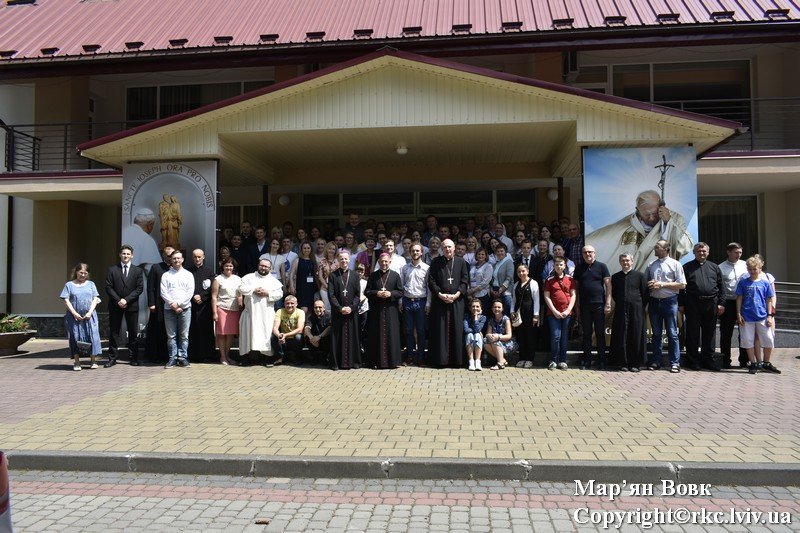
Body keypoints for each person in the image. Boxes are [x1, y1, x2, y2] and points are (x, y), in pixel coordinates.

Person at [587, 189, 694, 275]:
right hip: (633, 280)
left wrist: (668, 222)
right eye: (647, 215)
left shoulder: (675, 218)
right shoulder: (626, 223)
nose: (652, 218)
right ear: (638, 210)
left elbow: (685, 246)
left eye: (655, 213)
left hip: (661, 277)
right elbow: (602, 238)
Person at [679, 242, 724, 371]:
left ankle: (708, 360)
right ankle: (693, 361)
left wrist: (721, 303)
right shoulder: (687, 267)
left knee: (709, 334)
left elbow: (722, 287)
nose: (702, 253)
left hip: (711, 304)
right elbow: (682, 288)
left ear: (708, 252)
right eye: (699, 251)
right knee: (692, 333)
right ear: (694, 252)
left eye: (704, 251)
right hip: (693, 304)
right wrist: (681, 304)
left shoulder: (715, 267)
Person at [427, 239, 470, 367]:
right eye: (445, 247)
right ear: (442, 248)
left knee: (457, 328)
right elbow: (431, 281)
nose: (448, 249)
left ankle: (457, 361)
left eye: (450, 247)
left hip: (457, 301)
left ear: (454, 248)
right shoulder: (436, 262)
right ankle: (441, 360)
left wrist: (456, 295)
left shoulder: (461, 262)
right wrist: (440, 294)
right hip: (440, 302)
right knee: (440, 330)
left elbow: (465, 280)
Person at [646, 240, 686, 373]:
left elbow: (682, 284)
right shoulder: (651, 264)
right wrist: (650, 284)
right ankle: (656, 361)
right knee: (656, 334)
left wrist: (662, 284)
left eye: (657, 247)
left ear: (665, 249)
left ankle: (675, 363)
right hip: (654, 302)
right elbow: (646, 282)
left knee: (672, 333)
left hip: (670, 301)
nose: (654, 249)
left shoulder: (675, 264)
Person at [736, 256, 778, 374]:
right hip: (747, 316)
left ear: (760, 268)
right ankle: (753, 363)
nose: (752, 271)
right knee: (748, 340)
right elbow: (739, 298)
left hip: (762, 315)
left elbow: (769, 299)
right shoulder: (743, 282)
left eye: (755, 269)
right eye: (750, 269)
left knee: (768, 339)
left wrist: (770, 315)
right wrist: (738, 314)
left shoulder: (765, 283)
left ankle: (766, 362)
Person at [238, 258, 284, 365]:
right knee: (247, 335)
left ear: (270, 268)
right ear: (258, 265)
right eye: (262, 266)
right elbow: (241, 288)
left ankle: (266, 358)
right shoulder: (249, 277)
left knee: (265, 335)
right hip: (250, 313)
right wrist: (253, 290)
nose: (263, 268)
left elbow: (279, 294)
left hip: (266, 314)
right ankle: (246, 358)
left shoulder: (273, 280)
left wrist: (267, 293)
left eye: (266, 267)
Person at [104, 245, 144, 367]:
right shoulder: (112, 270)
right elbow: (108, 287)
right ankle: (112, 358)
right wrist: (119, 301)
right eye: (123, 254)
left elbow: (139, 288)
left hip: (131, 306)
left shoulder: (137, 270)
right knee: (114, 332)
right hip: (115, 306)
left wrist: (126, 300)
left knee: (133, 332)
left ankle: (133, 358)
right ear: (120, 255)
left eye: (128, 254)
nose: (126, 256)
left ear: (132, 255)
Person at [573, 245, 612, 370]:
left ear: (595, 253)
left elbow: (608, 286)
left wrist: (608, 303)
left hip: (599, 305)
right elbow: (576, 288)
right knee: (587, 334)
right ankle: (587, 360)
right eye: (585, 252)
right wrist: (577, 305)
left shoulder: (602, 266)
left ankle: (601, 361)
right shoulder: (579, 268)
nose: (587, 254)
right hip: (584, 306)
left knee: (600, 334)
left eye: (590, 252)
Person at [610, 253, 648, 372]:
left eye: (627, 260)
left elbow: (645, 294)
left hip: (636, 310)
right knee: (621, 335)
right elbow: (615, 294)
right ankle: (623, 363)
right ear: (620, 262)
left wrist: (638, 306)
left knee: (636, 335)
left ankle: (635, 364)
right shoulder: (615, 277)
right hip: (621, 309)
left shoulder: (640, 276)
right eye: (623, 260)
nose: (625, 262)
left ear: (632, 262)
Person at [365, 253, 404, 369]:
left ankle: (392, 361)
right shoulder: (373, 276)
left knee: (391, 335)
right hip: (376, 311)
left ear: (390, 262)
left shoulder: (395, 275)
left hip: (391, 310)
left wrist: (390, 293)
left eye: (386, 261)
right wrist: (376, 293)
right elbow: (367, 292)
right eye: (382, 261)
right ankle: (376, 361)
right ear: (379, 262)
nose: (384, 263)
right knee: (376, 335)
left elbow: (401, 292)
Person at [61, 263, 102, 371]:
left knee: (92, 336)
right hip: (74, 317)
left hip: (90, 316)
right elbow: (66, 300)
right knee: (75, 337)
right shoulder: (69, 285)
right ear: (76, 272)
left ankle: (93, 361)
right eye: (81, 273)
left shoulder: (91, 284)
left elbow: (95, 299)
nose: (83, 275)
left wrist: (90, 312)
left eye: (85, 273)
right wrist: (74, 313)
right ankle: (77, 362)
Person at [160, 250, 195, 368]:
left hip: (185, 309)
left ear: (183, 259)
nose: (176, 260)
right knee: (171, 336)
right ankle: (172, 358)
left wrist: (179, 304)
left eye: (178, 258)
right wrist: (172, 304)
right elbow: (163, 292)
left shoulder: (188, 275)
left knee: (184, 335)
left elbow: (190, 292)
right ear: (171, 260)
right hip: (169, 309)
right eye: (174, 258)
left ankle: (183, 357)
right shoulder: (166, 275)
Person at [328, 250, 362, 370]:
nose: (344, 261)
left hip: (351, 313)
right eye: (341, 259)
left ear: (349, 260)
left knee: (352, 335)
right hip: (338, 313)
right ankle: (336, 363)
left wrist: (351, 307)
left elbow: (358, 294)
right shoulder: (332, 275)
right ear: (338, 260)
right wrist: (339, 308)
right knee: (337, 336)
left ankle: (353, 362)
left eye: (346, 259)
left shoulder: (355, 275)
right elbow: (331, 295)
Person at [718, 242, 748, 368]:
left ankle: (744, 360)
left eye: (740, 252)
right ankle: (725, 360)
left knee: (745, 332)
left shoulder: (746, 265)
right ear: (728, 252)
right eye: (736, 252)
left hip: (744, 302)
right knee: (726, 333)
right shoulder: (720, 267)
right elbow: (719, 287)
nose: (738, 255)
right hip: (728, 302)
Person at [400, 243, 431, 367]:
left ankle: (421, 357)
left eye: (417, 251)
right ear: (410, 252)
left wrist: (428, 303)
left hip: (421, 301)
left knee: (421, 331)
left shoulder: (427, 268)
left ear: (422, 252)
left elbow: (429, 287)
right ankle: (409, 356)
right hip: (407, 301)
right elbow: (401, 286)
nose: (415, 253)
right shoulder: (405, 268)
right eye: (413, 251)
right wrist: (400, 301)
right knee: (408, 331)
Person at [543, 257, 576, 371]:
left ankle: (562, 361)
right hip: (553, 314)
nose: (559, 267)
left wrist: (568, 310)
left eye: (561, 264)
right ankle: (553, 360)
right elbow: (546, 296)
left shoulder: (570, 279)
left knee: (564, 337)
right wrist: (555, 311)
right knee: (556, 336)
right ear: (554, 266)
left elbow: (573, 295)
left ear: (565, 265)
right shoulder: (549, 280)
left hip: (567, 312)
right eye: (556, 265)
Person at [145, 245, 174, 363]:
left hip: (172, 304)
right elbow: (150, 287)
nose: (171, 258)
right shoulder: (156, 268)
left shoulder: (176, 268)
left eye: (173, 255)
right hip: (158, 304)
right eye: (168, 255)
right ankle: (155, 355)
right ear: (163, 256)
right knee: (157, 329)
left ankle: (169, 355)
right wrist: (151, 303)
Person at [211, 258, 242, 365]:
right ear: (223, 267)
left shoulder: (238, 279)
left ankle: (227, 355)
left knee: (230, 334)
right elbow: (214, 297)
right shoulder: (218, 279)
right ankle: (222, 356)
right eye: (227, 266)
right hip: (221, 308)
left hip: (234, 309)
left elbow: (240, 294)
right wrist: (214, 312)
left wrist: (241, 304)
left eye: (231, 266)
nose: (229, 268)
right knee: (221, 334)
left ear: (234, 267)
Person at [187, 248, 215, 363]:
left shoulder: (209, 271)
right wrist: (193, 296)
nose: (197, 259)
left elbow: (212, 288)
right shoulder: (188, 272)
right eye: (195, 257)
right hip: (191, 304)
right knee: (192, 330)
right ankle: (192, 355)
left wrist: (201, 297)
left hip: (205, 306)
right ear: (192, 258)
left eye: (199, 257)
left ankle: (207, 355)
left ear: (203, 257)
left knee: (205, 330)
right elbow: (185, 287)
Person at [512, 263, 540, 368]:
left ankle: (530, 358)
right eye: (519, 271)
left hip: (529, 313)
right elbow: (513, 300)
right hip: (518, 314)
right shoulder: (515, 285)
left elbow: (536, 299)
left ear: (527, 271)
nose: (521, 273)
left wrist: (536, 315)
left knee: (530, 336)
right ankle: (522, 358)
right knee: (520, 336)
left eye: (523, 271)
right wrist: (511, 312)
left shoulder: (533, 283)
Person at [271, 295, 305, 365]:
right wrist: (279, 335)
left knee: (298, 337)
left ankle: (297, 358)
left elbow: (300, 329)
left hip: (295, 340)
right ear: (284, 304)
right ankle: (279, 357)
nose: (289, 305)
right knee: (273, 336)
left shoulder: (300, 312)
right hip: (283, 340)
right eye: (287, 303)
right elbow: (275, 328)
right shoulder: (280, 311)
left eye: (292, 303)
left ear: (296, 304)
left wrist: (285, 335)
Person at [483, 300, 514, 370]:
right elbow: (488, 333)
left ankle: (500, 363)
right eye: (495, 307)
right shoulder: (491, 320)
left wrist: (498, 337)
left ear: (502, 308)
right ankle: (503, 360)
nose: (497, 309)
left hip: (507, 343)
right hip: (495, 341)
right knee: (484, 342)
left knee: (495, 341)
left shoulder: (506, 319)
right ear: (492, 308)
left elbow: (509, 335)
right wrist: (489, 336)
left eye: (499, 307)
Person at [288, 241, 317, 313]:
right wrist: (291, 286)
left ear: (311, 249)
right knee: (303, 308)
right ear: (301, 249)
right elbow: (291, 274)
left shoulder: (313, 261)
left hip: (311, 288)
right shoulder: (297, 260)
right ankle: (302, 323)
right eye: (304, 248)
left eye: (308, 248)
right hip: (301, 287)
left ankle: (307, 323)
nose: (306, 250)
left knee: (310, 308)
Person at [467, 248, 493, 318]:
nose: (480, 256)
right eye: (479, 254)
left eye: (482, 254)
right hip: (472, 296)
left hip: (483, 294)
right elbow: (468, 279)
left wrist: (472, 290)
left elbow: (485, 282)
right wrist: (469, 291)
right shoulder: (472, 266)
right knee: (472, 316)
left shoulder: (488, 266)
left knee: (482, 316)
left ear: (486, 256)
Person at [304, 299, 332, 366]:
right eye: (316, 307)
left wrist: (319, 336)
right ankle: (314, 358)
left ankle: (325, 358)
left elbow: (329, 328)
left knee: (329, 337)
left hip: (323, 337)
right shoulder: (310, 316)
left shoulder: (329, 315)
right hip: (314, 340)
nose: (318, 309)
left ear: (324, 308)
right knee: (307, 337)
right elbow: (307, 328)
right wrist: (311, 338)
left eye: (320, 307)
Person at [490, 243, 514, 316]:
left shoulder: (509, 262)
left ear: (505, 252)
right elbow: (492, 280)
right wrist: (492, 290)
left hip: (506, 292)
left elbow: (509, 278)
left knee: (506, 314)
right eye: (498, 251)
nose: (500, 253)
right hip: (495, 291)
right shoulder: (495, 264)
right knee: (497, 315)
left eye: (502, 251)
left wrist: (500, 290)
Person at [464, 299, 486, 371]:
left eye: (477, 306)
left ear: (480, 308)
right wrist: (476, 331)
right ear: (470, 308)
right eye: (473, 306)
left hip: (477, 340)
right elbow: (466, 330)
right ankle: (471, 362)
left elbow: (477, 330)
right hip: (469, 340)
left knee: (477, 335)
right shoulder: (466, 316)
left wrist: (476, 317)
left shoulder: (483, 317)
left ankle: (477, 362)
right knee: (470, 335)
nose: (475, 308)